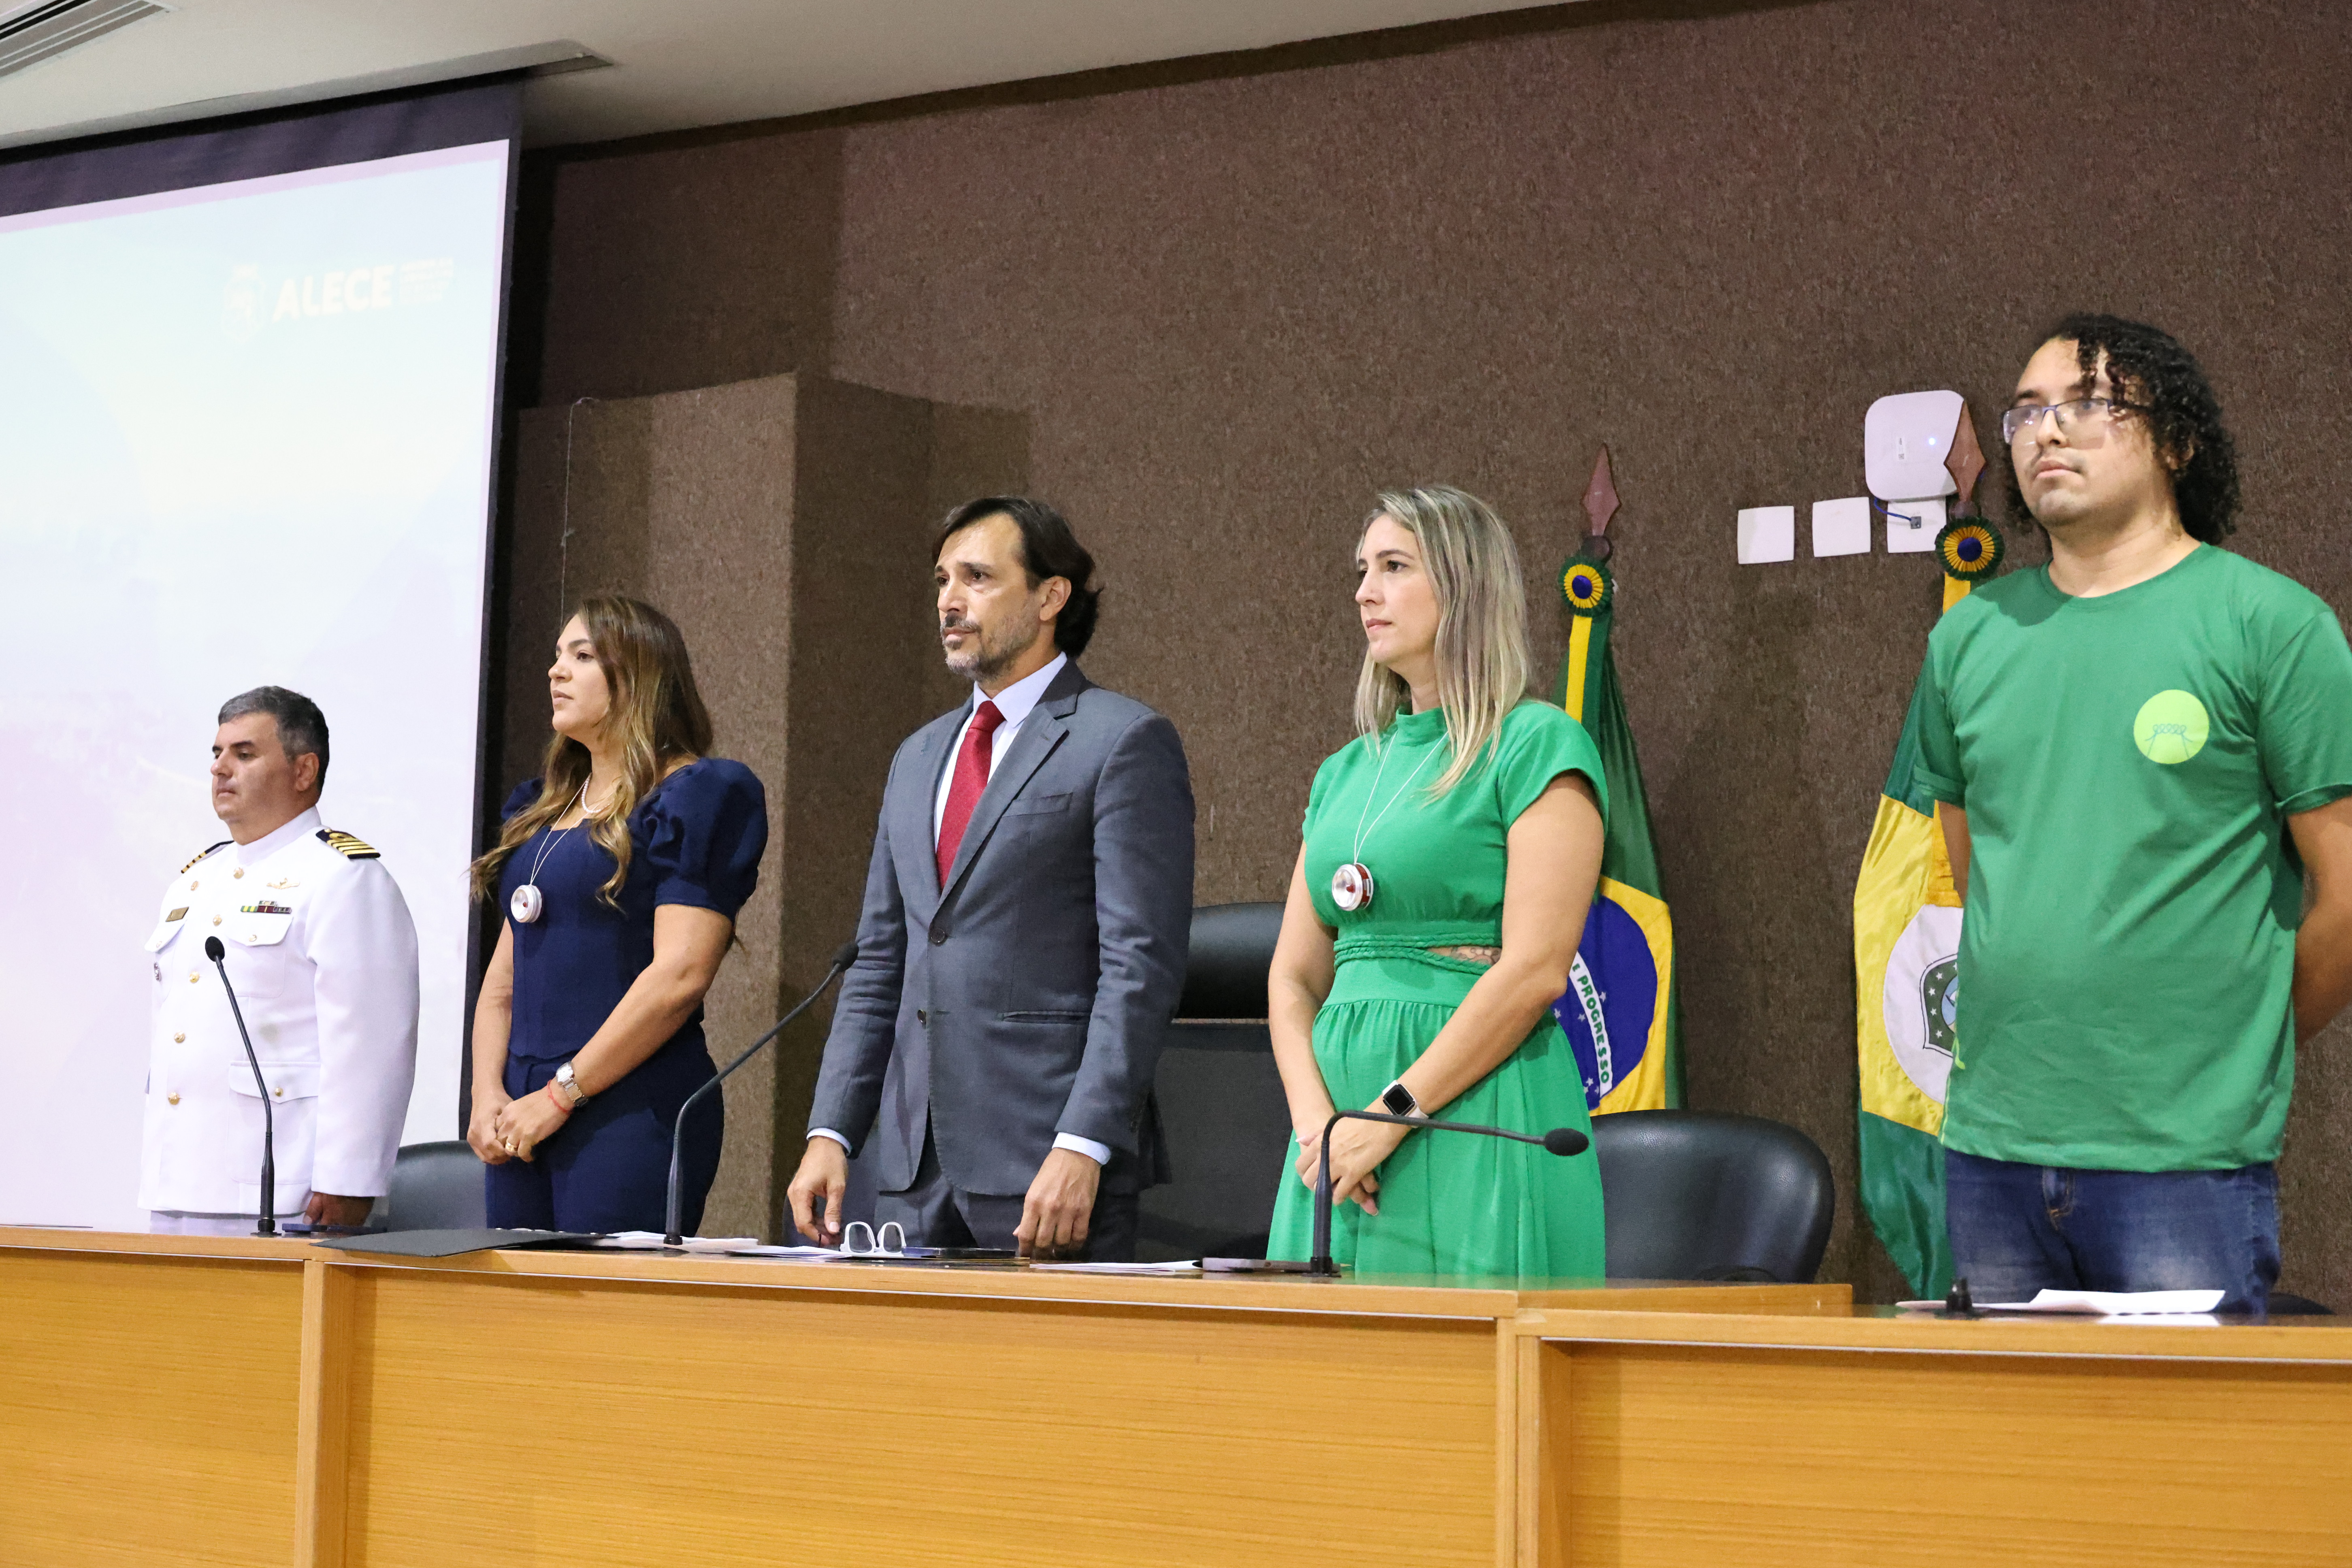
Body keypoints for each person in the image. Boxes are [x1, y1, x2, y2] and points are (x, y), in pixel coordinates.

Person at [1920, 314, 2352, 1312]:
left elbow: (2347, 897)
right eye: (2026, 411)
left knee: (2182, 1423)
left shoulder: (2273, 626)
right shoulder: (1968, 638)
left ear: (2178, 442)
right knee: (2000, 1422)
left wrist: (2244, 1038)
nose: (2046, 430)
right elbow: (1978, 872)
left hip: (2184, 1158)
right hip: (1992, 1148)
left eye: (2088, 403)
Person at [787, 496, 1194, 1261]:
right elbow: (880, 961)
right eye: (943, 580)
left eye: (977, 577)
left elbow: (1139, 965)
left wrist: (1085, 1141)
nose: (950, 600)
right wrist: (831, 1131)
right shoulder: (917, 757)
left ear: (1050, 596)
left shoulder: (1121, 740)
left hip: (1048, 1160)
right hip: (911, 1169)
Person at [1263, 486, 1607, 1276]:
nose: (1365, 592)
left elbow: (1535, 970)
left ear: (1464, 584)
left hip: (1468, 1105)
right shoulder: (1343, 772)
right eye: (1362, 570)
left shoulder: (1536, 744)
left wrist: (1392, 1114)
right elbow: (1292, 976)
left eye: (1394, 567)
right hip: (1333, 1142)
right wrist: (1317, 1123)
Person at [468, 596, 768, 1235]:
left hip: (629, 1109)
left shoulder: (694, 796)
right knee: (515, 1295)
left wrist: (562, 1094)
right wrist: (486, 1092)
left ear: (637, 676)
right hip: (521, 1113)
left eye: (581, 656)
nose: (556, 671)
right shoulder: (543, 811)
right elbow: (502, 986)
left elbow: (680, 976)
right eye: (557, 656)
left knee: (602, 1297)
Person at [142, 687, 420, 1235]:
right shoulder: (195, 881)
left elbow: (371, 1042)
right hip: (179, 1179)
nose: (221, 768)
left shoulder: (343, 877)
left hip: (283, 1187)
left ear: (303, 770)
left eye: (244, 754)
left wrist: (349, 1178)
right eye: (217, 753)